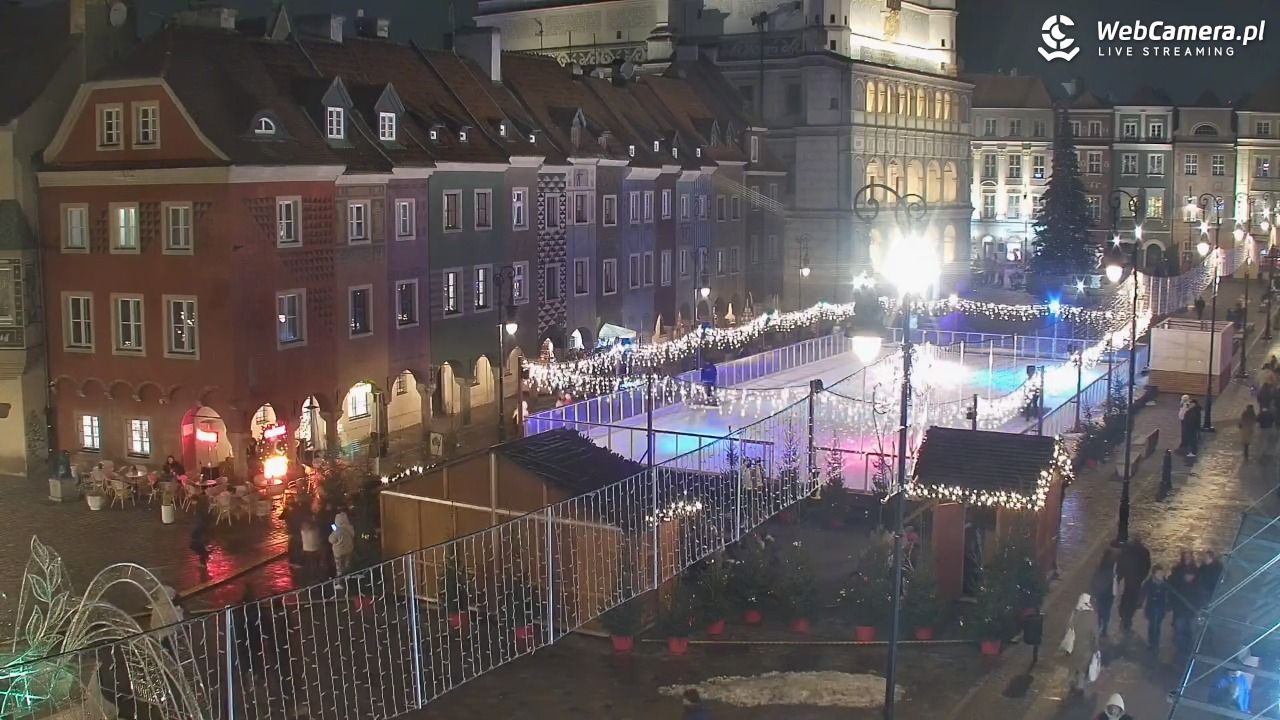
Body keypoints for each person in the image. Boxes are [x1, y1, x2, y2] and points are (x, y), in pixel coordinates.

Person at [1117, 536, 1152, 633]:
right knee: (1132, 599)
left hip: (1129, 578)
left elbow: (1121, 563)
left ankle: (1123, 614)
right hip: (1137, 579)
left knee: (1126, 595)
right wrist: (1142, 577)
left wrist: (1121, 575)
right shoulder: (1144, 552)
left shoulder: (1126, 550)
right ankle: (1127, 618)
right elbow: (1147, 566)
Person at [1067, 593, 1100, 693]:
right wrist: (1096, 647)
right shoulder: (1092, 616)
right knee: (1083, 667)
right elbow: (1094, 633)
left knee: (1073, 664)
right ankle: (1080, 686)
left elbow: (1069, 627)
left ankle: (1071, 679)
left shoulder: (1075, 613)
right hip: (1086, 647)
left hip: (1074, 645)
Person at [1170, 552, 1202, 652]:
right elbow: (1173, 591)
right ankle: (1181, 649)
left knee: (1192, 631)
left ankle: (1190, 649)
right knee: (1180, 631)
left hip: (1191, 610)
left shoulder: (1197, 577)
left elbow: (1199, 596)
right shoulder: (1177, 573)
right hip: (1181, 610)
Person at [148, 585, 184, 655]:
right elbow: (179, 619)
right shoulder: (170, 608)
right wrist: (180, 611)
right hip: (167, 635)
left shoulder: (156, 607)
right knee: (171, 652)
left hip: (158, 635)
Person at [1142, 564, 1170, 652]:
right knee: (1152, 624)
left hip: (1161, 606)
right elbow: (1143, 593)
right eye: (1158, 573)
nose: (1160, 575)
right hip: (1151, 606)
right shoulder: (1149, 582)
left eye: (1161, 573)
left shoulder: (1165, 582)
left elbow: (1169, 593)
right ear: (1154, 574)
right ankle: (1151, 642)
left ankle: (1155, 642)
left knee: (1157, 625)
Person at [1092, 548, 1117, 637]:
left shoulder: (1099, 566)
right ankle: (1104, 628)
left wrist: (1094, 591)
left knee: (1100, 610)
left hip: (1100, 592)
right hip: (1108, 593)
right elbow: (1113, 580)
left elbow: (1094, 579)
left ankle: (1099, 625)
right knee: (1107, 611)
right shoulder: (1112, 568)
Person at [329, 511, 356, 579]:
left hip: (339, 552)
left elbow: (331, 540)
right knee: (347, 566)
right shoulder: (350, 528)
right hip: (349, 549)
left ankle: (340, 582)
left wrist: (334, 532)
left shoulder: (337, 530)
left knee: (339, 567)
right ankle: (347, 579)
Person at [189, 496, 211, 569]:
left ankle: (203, 561)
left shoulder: (199, 508)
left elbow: (200, 519)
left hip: (200, 529)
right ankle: (204, 556)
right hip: (203, 529)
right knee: (200, 545)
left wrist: (197, 529)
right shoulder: (202, 506)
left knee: (199, 546)